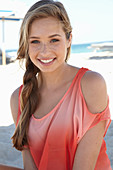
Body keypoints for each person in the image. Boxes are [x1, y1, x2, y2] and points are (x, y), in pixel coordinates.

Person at [0, 0, 112, 169]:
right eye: (35, 41)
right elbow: (30, 166)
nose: (45, 51)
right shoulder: (18, 98)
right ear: (26, 44)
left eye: (54, 40)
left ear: (69, 40)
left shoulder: (91, 85)